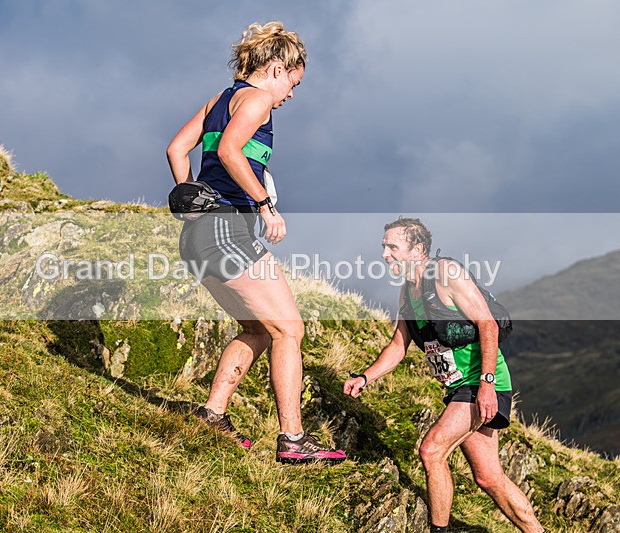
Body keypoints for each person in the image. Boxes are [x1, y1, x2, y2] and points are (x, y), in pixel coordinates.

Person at [166, 21, 345, 464]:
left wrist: (192, 195)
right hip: (228, 229)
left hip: (197, 236)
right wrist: (266, 205)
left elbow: (175, 149)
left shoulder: (218, 100)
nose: (290, 96)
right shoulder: (259, 98)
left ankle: (212, 415)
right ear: (277, 68)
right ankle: (293, 440)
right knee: (290, 329)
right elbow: (229, 150)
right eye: (293, 83)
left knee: (259, 329)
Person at [343, 217, 545, 533]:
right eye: (384, 247)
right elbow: (398, 346)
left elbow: (488, 324)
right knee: (489, 478)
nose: (385, 255)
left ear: (418, 249)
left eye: (392, 247)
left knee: (432, 450)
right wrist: (365, 378)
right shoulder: (407, 292)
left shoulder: (446, 274)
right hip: (458, 388)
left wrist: (486, 386)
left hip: (481, 384)